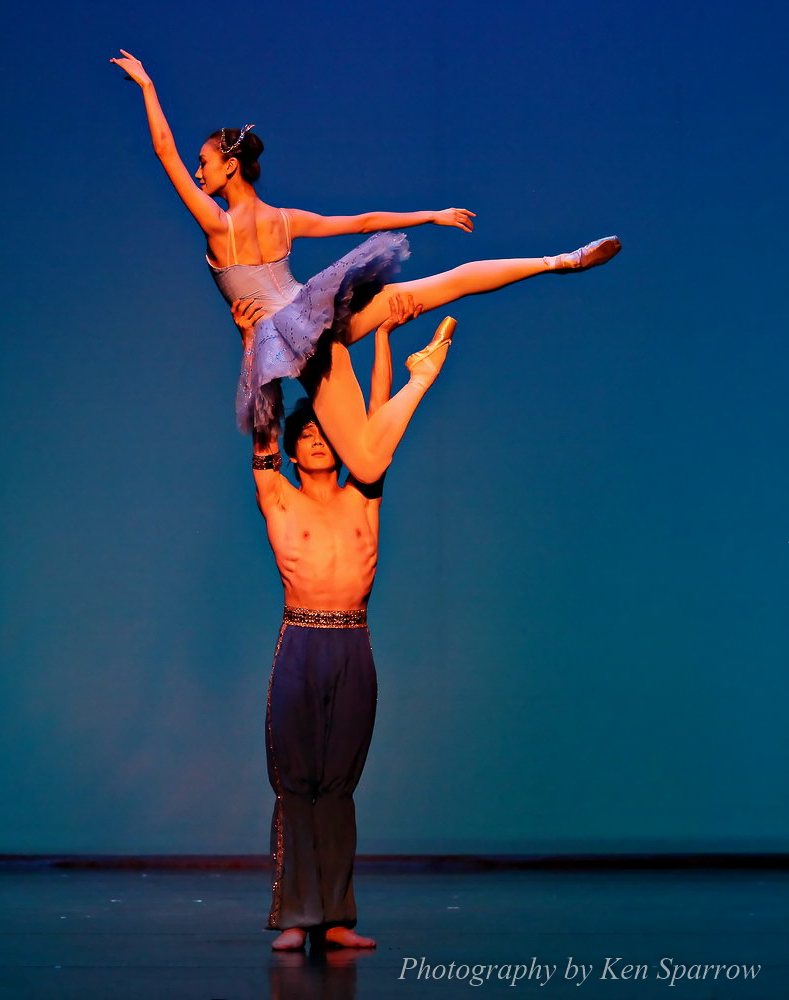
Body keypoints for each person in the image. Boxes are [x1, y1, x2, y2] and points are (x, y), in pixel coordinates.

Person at [110, 49, 621, 484]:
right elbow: (361, 222)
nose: (198, 172)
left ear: (229, 166)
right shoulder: (284, 220)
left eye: (204, 162)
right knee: (441, 286)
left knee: (368, 465)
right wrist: (430, 214)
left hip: (292, 339)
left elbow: (163, 151)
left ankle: (420, 377)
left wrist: (149, 86)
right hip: (319, 312)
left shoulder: (218, 225)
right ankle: (560, 260)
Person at [234, 291, 452, 950]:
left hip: (353, 644)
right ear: (295, 453)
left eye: (324, 435)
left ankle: (334, 919)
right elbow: (264, 420)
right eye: (306, 437)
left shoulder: (364, 493)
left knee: (339, 788)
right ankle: (296, 920)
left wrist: (384, 334)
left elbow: (373, 428)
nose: (317, 442)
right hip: (302, 642)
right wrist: (252, 345)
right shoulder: (278, 494)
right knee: (297, 787)